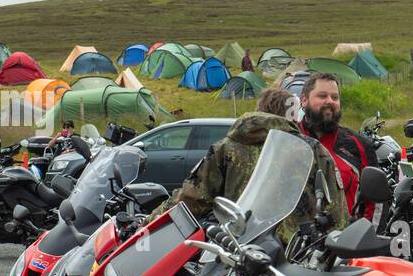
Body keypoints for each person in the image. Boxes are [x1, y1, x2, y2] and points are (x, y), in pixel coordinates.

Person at [158, 110, 348, 244]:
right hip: (296, 254)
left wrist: (148, 224)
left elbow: (190, 200)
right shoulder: (311, 149)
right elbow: (337, 212)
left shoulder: (226, 147)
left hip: (238, 248)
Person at [296, 72, 374, 219]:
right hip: (298, 239)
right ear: (304, 100)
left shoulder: (359, 145)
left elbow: (375, 201)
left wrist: (366, 236)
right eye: (322, 96)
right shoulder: (290, 139)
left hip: (345, 238)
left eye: (335, 97)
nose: (330, 101)